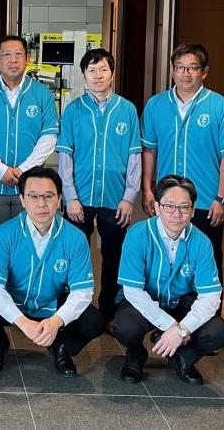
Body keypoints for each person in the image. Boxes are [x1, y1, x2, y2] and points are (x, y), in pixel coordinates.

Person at [0, 166, 104, 377]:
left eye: (49, 196)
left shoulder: (75, 237)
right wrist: (23, 322)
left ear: (59, 199)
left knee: (93, 322)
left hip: (52, 302)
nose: (41, 204)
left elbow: (83, 291)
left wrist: (56, 321)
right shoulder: (4, 233)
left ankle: (61, 346)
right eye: (33, 196)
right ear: (22, 200)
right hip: (15, 301)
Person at [113, 174, 224, 386]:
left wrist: (182, 329)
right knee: (125, 326)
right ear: (157, 207)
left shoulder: (202, 242)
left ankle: (183, 357)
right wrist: (170, 325)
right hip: (144, 300)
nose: (177, 214)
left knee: (218, 332)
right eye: (169, 206)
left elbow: (212, 296)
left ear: (193, 211)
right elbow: (132, 291)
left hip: (181, 302)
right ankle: (135, 354)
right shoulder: (138, 234)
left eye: (184, 207)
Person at [0, 35, 58, 289]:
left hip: (32, 189)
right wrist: (0, 171)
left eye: (18, 54)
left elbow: (49, 136)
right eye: (7, 55)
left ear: (27, 59)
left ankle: (25, 300)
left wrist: (24, 172)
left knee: (30, 244)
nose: (13, 60)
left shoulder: (41, 94)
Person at [56, 48, 141, 328]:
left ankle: (109, 314)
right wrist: (70, 197)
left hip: (115, 199)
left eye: (103, 69)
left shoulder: (127, 110)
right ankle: (73, 314)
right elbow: (65, 157)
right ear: (84, 75)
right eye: (92, 70)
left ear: (112, 73)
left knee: (113, 258)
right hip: (79, 199)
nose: (98, 75)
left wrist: (129, 197)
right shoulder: (73, 110)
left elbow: (134, 157)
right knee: (74, 257)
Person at [140, 43, 224, 287]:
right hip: (166, 201)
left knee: (208, 260)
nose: (185, 73)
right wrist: (147, 190)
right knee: (164, 259)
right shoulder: (155, 105)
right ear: (172, 70)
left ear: (204, 72)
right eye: (179, 67)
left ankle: (209, 309)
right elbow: (149, 150)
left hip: (205, 201)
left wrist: (222, 199)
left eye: (192, 68)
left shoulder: (221, 106)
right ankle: (168, 309)